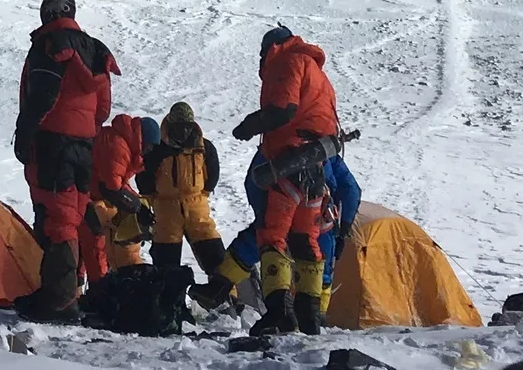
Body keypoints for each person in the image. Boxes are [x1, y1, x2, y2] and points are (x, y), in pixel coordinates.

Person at [10, 0, 117, 322]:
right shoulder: (96, 51)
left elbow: (41, 97)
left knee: (57, 220)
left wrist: (25, 136)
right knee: (71, 215)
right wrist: (83, 130)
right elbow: (103, 109)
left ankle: (59, 302)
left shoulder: (48, 45)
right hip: (84, 145)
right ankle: (56, 293)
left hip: (52, 143)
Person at [231, 26, 341, 333]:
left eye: (263, 52)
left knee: (273, 235)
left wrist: (250, 125)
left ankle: (279, 311)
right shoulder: (317, 72)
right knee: (305, 237)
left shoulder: (288, 61)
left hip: (288, 159)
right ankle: (309, 314)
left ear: (272, 47)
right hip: (316, 163)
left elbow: (283, 109)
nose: (261, 59)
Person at [216, 145, 360, 316]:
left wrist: (262, 214)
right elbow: (350, 190)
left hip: (277, 216)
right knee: (319, 268)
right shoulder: (328, 155)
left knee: (255, 247)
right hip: (319, 224)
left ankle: (218, 289)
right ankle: (314, 318)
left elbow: (253, 181)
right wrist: (343, 228)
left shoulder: (274, 146)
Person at [143, 101, 231, 303]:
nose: (183, 131)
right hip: (166, 213)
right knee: (166, 266)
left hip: (197, 208)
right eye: (178, 127)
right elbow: (145, 181)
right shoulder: (157, 150)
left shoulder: (204, 148)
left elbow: (212, 176)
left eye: (186, 127)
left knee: (216, 258)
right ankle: (171, 308)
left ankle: (226, 302)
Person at [81, 112, 152, 284]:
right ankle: (100, 290)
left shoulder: (124, 143)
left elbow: (118, 183)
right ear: (143, 139)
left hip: (92, 195)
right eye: (150, 146)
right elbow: (111, 187)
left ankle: (116, 280)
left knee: (106, 236)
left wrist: (138, 203)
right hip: (85, 197)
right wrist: (137, 207)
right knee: (95, 243)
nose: (149, 152)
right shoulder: (118, 147)